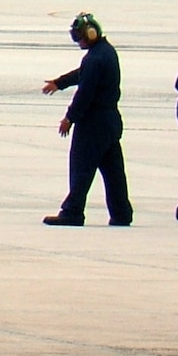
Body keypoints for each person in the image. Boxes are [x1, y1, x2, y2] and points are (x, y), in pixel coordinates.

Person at [41, 13, 132, 227]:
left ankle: (72, 211)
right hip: (110, 121)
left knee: (81, 166)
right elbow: (83, 74)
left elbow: (85, 92)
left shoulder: (95, 58)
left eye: (79, 37)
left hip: (94, 123)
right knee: (114, 171)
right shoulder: (105, 52)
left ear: (91, 34)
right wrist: (59, 82)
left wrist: (70, 118)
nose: (79, 41)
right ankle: (121, 213)